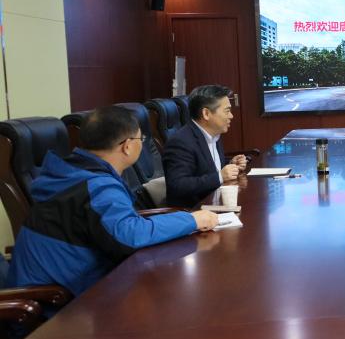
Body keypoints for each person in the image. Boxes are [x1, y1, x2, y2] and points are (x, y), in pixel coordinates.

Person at [5, 106, 218, 296]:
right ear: (127, 146)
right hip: (55, 304)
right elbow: (129, 235)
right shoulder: (96, 186)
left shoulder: (72, 171)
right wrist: (192, 220)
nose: (142, 144)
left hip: (63, 284)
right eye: (141, 139)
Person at [164, 84, 248, 207]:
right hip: (194, 211)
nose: (231, 116)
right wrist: (220, 177)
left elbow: (206, 166)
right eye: (227, 111)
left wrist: (231, 163)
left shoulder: (213, 133)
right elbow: (178, 185)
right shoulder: (181, 142)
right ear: (206, 113)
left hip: (215, 203)